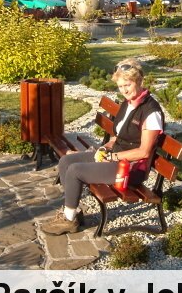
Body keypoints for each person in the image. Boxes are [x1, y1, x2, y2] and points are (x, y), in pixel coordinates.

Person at [41, 58, 164, 235]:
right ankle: (73, 211)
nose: (124, 90)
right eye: (120, 86)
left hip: (131, 169)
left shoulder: (151, 112)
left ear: (139, 81)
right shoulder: (127, 104)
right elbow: (118, 136)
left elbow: (144, 152)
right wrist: (105, 148)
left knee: (75, 171)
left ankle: (68, 220)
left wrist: (113, 157)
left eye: (128, 85)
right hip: (115, 156)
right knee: (66, 161)